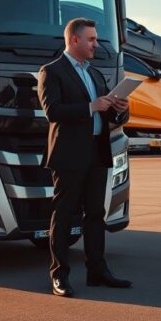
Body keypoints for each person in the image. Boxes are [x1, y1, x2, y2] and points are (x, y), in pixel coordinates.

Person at [37, 18, 132, 297]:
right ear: (74, 40)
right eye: (90, 39)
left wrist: (120, 109)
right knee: (63, 215)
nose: (95, 44)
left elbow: (109, 114)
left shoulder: (96, 74)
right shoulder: (51, 71)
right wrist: (91, 106)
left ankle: (98, 271)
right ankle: (59, 275)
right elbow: (52, 111)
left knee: (95, 214)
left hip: (96, 152)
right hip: (68, 154)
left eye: (96, 38)